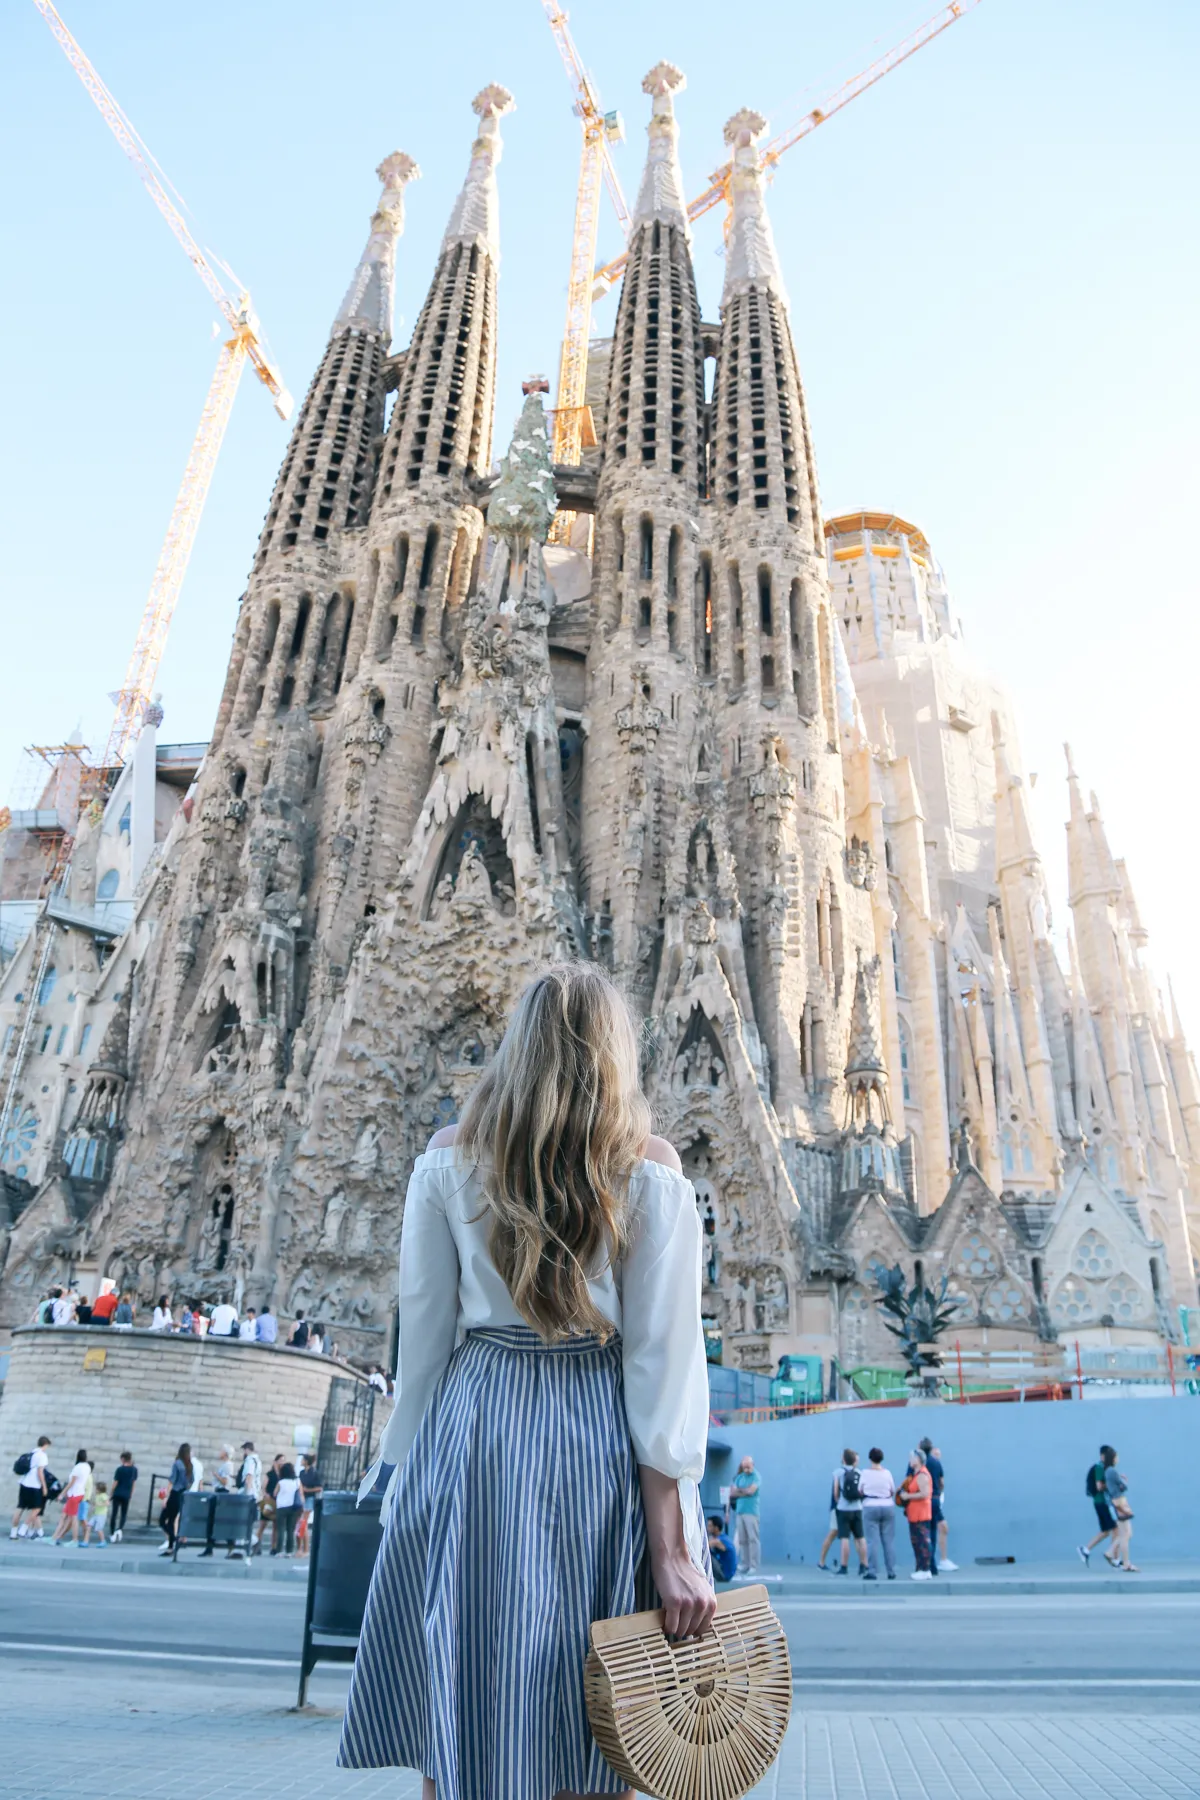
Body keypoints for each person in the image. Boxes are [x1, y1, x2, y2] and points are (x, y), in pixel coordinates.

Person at [338, 964, 716, 1795]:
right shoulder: (649, 1172)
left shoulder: (445, 1163)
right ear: (613, 1057)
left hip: (476, 1430)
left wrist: (406, 1481)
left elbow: (424, 1339)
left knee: (463, 1702)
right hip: (598, 1437)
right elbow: (663, 1365)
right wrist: (672, 1549)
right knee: (604, 1715)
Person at [860, 1447, 897, 1581]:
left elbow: (861, 1490)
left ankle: (872, 1571)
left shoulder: (865, 1473)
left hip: (870, 1506)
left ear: (870, 1459)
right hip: (887, 1506)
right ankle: (891, 1571)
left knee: (872, 1541)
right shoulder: (887, 1473)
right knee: (888, 1541)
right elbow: (892, 1490)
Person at [898, 1448, 935, 1580]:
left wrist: (907, 1496)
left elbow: (925, 1493)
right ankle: (920, 1568)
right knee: (916, 1541)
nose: (910, 1460)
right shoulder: (916, 1474)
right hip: (914, 1514)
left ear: (918, 1459)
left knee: (923, 1541)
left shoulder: (922, 1475)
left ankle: (925, 1568)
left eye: (912, 1458)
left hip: (921, 1514)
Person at [919, 1436, 955, 1571]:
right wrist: (938, 1494)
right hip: (934, 1500)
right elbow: (942, 1483)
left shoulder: (919, 1463)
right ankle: (937, 1562)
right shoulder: (935, 1464)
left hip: (924, 1500)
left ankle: (930, 1563)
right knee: (935, 1531)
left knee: (925, 1532)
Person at [832, 1449, 868, 1576]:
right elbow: (863, 1490)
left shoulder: (838, 1472)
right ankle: (864, 1564)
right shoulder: (860, 1472)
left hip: (843, 1508)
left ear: (844, 1459)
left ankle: (844, 1566)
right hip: (857, 1508)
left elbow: (836, 1492)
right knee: (860, 1537)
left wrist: (838, 1502)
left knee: (845, 1538)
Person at [1103, 1445, 1137, 1572]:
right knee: (1126, 1534)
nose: (1118, 1459)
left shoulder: (1108, 1472)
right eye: (1116, 1456)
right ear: (1112, 1458)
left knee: (1127, 1534)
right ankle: (1126, 1563)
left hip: (1117, 1502)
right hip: (1120, 1502)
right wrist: (1125, 1480)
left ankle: (1110, 1552)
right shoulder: (1112, 1471)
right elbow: (1123, 1487)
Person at [11, 1436, 52, 1539]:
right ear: (45, 1444)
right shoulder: (42, 1455)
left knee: (20, 1507)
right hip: (34, 1485)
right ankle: (24, 1527)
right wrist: (44, 1486)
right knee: (37, 1508)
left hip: (24, 1482)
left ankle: (13, 1532)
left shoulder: (32, 1453)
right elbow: (40, 1472)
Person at [729, 1456, 761, 1576]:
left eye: (748, 1466)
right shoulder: (740, 1477)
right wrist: (744, 1491)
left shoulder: (756, 1476)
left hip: (751, 1512)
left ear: (752, 1465)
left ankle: (753, 1565)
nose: (746, 1468)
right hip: (740, 1511)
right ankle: (745, 1563)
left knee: (753, 1539)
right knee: (742, 1539)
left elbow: (751, 1491)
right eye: (744, 1466)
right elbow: (732, 1492)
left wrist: (740, 1491)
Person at [159, 1444, 193, 1555]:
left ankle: (172, 1541)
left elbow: (171, 1481)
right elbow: (190, 1482)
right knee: (171, 1520)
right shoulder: (189, 1465)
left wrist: (165, 1497)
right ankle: (171, 1546)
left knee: (163, 1520)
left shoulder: (177, 1464)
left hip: (174, 1494)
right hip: (182, 1495)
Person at [54, 1450, 92, 1546]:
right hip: (80, 1493)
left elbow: (72, 1483)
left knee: (73, 1517)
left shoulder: (77, 1467)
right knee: (68, 1515)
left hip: (74, 1494)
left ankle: (74, 1540)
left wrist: (62, 1493)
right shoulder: (87, 1467)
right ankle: (57, 1537)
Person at [272, 1462, 303, 1556]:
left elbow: (274, 1493)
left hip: (281, 1507)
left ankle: (279, 1550)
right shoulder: (297, 1481)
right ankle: (289, 1551)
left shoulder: (281, 1482)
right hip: (294, 1507)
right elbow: (301, 1494)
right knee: (291, 1529)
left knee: (281, 1529)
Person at [297, 1452, 323, 1555]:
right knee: (301, 1523)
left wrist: (308, 1490)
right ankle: (301, 1548)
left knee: (304, 1522)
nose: (301, 1461)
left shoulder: (314, 1473)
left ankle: (306, 1549)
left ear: (306, 1461)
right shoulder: (302, 1473)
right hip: (301, 1498)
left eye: (303, 1460)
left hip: (309, 1498)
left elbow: (319, 1487)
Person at [109, 1452, 138, 1542]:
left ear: (123, 1459)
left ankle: (112, 1533)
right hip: (126, 1494)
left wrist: (111, 1493)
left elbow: (115, 1482)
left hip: (117, 1493)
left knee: (114, 1513)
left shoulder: (120, 1469)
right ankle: (119, 1529)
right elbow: (133, 1483)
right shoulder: (134, 1469)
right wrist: (131, 1494)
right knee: (123, 1513)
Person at [707, 1514, 737, 1582]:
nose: (707, 1528)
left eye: (710, 1526)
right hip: (726, 1572)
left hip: (724, 1575)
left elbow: (704, 1548)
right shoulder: (723, 1538)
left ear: (716, 1528)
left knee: (705, 1555)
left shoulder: (718, 1541)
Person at [84, 1482, 110, 1547]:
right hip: (96, 1514)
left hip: (101, 1515)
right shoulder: (97, 1496)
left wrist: (99, 1505)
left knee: (99, 1529)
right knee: (88, 1526)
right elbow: (96, 1504)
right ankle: (85, 1542)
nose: (95, 1490)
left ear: (99, 1489)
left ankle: (103, 1541)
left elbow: (107, 1503)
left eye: (96, 1489)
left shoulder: (104, 1495)